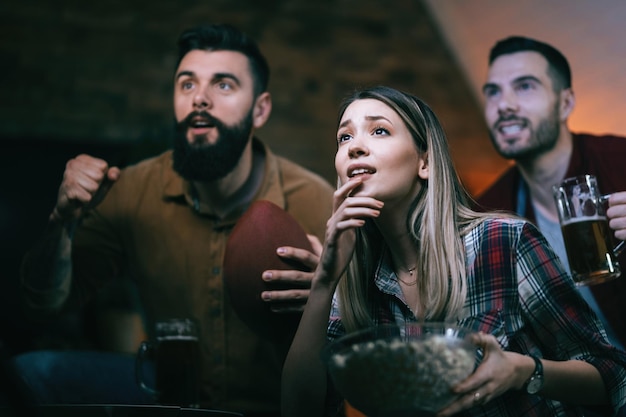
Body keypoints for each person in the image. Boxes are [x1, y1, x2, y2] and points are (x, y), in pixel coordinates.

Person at [14, 23, 334, 416]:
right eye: (186, 84)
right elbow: (43, 304)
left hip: (274, 405)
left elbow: (364, 338)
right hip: (168, 396)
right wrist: (61, 221)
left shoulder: (316, 201)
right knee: (33, 372)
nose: (199, 98)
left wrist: (330, 297)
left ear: (260, 109)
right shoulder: (132, 188)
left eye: (224, 85)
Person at [280, 85, 626, 417]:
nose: (355, 147)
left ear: (425, 163)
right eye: (345, 137)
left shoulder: (503, 240)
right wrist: (324, 282)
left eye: (379, 131)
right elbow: (301, 409)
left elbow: (611, 374)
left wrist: (524, 371)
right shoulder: (354, 285)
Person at [476, 36, 626, 350]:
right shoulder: (488, 211)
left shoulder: (618, 159)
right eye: (493, 92)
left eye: (525, 86)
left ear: (565, 103)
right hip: (583, 392)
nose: (504, 105)